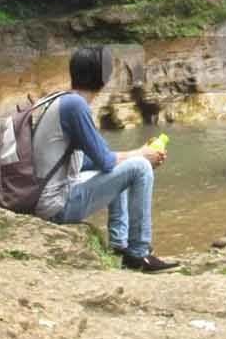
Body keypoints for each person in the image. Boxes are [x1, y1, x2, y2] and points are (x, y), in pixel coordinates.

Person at [32, 46, 178, 273]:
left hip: (44, 200)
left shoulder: (61, 100)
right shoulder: (76, 106)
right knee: (140, 167)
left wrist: (133, 155)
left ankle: (120, 245)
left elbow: (85, 162)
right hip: (55, 207)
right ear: (102, 78)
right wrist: (142, 155)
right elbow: (106, 161)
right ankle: (139, 253)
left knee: (126, 165)